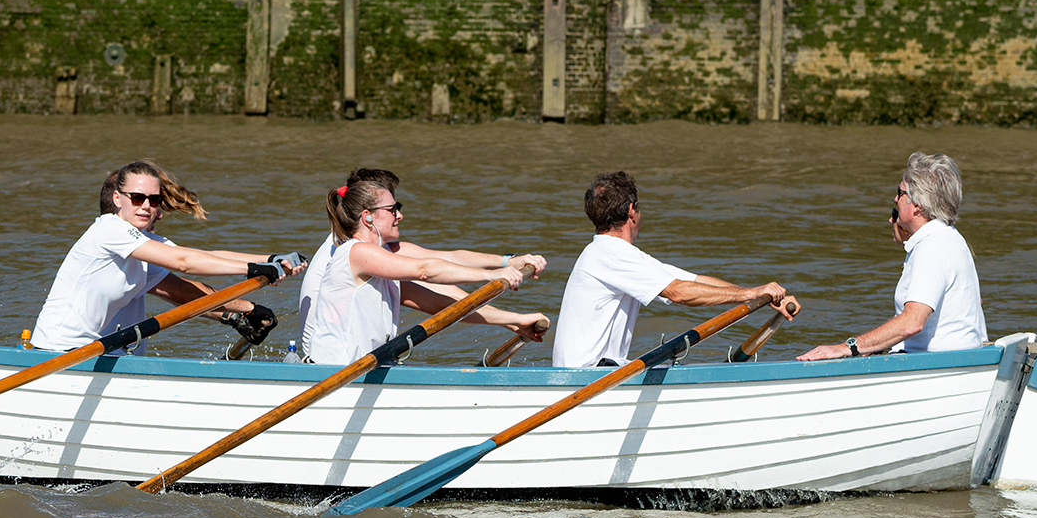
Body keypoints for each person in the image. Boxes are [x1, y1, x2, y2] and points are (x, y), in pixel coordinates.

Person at [30, 161, 300, 354]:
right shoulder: (108, 229)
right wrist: (251, 269)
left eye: (154, 200)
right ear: (117, 198)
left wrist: (271, 258)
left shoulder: (144, 244)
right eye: (137, 198)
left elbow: (197, 256)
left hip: (90, 351)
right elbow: (183, 264)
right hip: (56, 350)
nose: (147, 207)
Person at [297, 169, 549, 366]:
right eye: (393, 209)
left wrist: (515, 319)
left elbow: (444, 301)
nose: (400, 215)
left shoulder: (383, 261)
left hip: (363, 367)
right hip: (331, 371)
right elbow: (426, 270)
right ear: (368, 217)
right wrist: (492, 275)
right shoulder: (357, 252)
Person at [550, 171, 798, 368]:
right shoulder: (610, 255)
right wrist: (749, 294)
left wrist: (760, 296)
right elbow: (679, 292)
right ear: (631, 212)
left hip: (595, 371)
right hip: (585, 376)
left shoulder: (613, 253)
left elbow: (691, 280)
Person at [797, 153, 988, 360]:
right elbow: (973, 303)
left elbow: (912, 322)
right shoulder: (951, 236)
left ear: (918, 205)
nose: (895, 199)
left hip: (936, 364)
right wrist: (876, 342)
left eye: (900, 193)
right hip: (957, 358)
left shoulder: (932, 246)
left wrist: (848, 347)